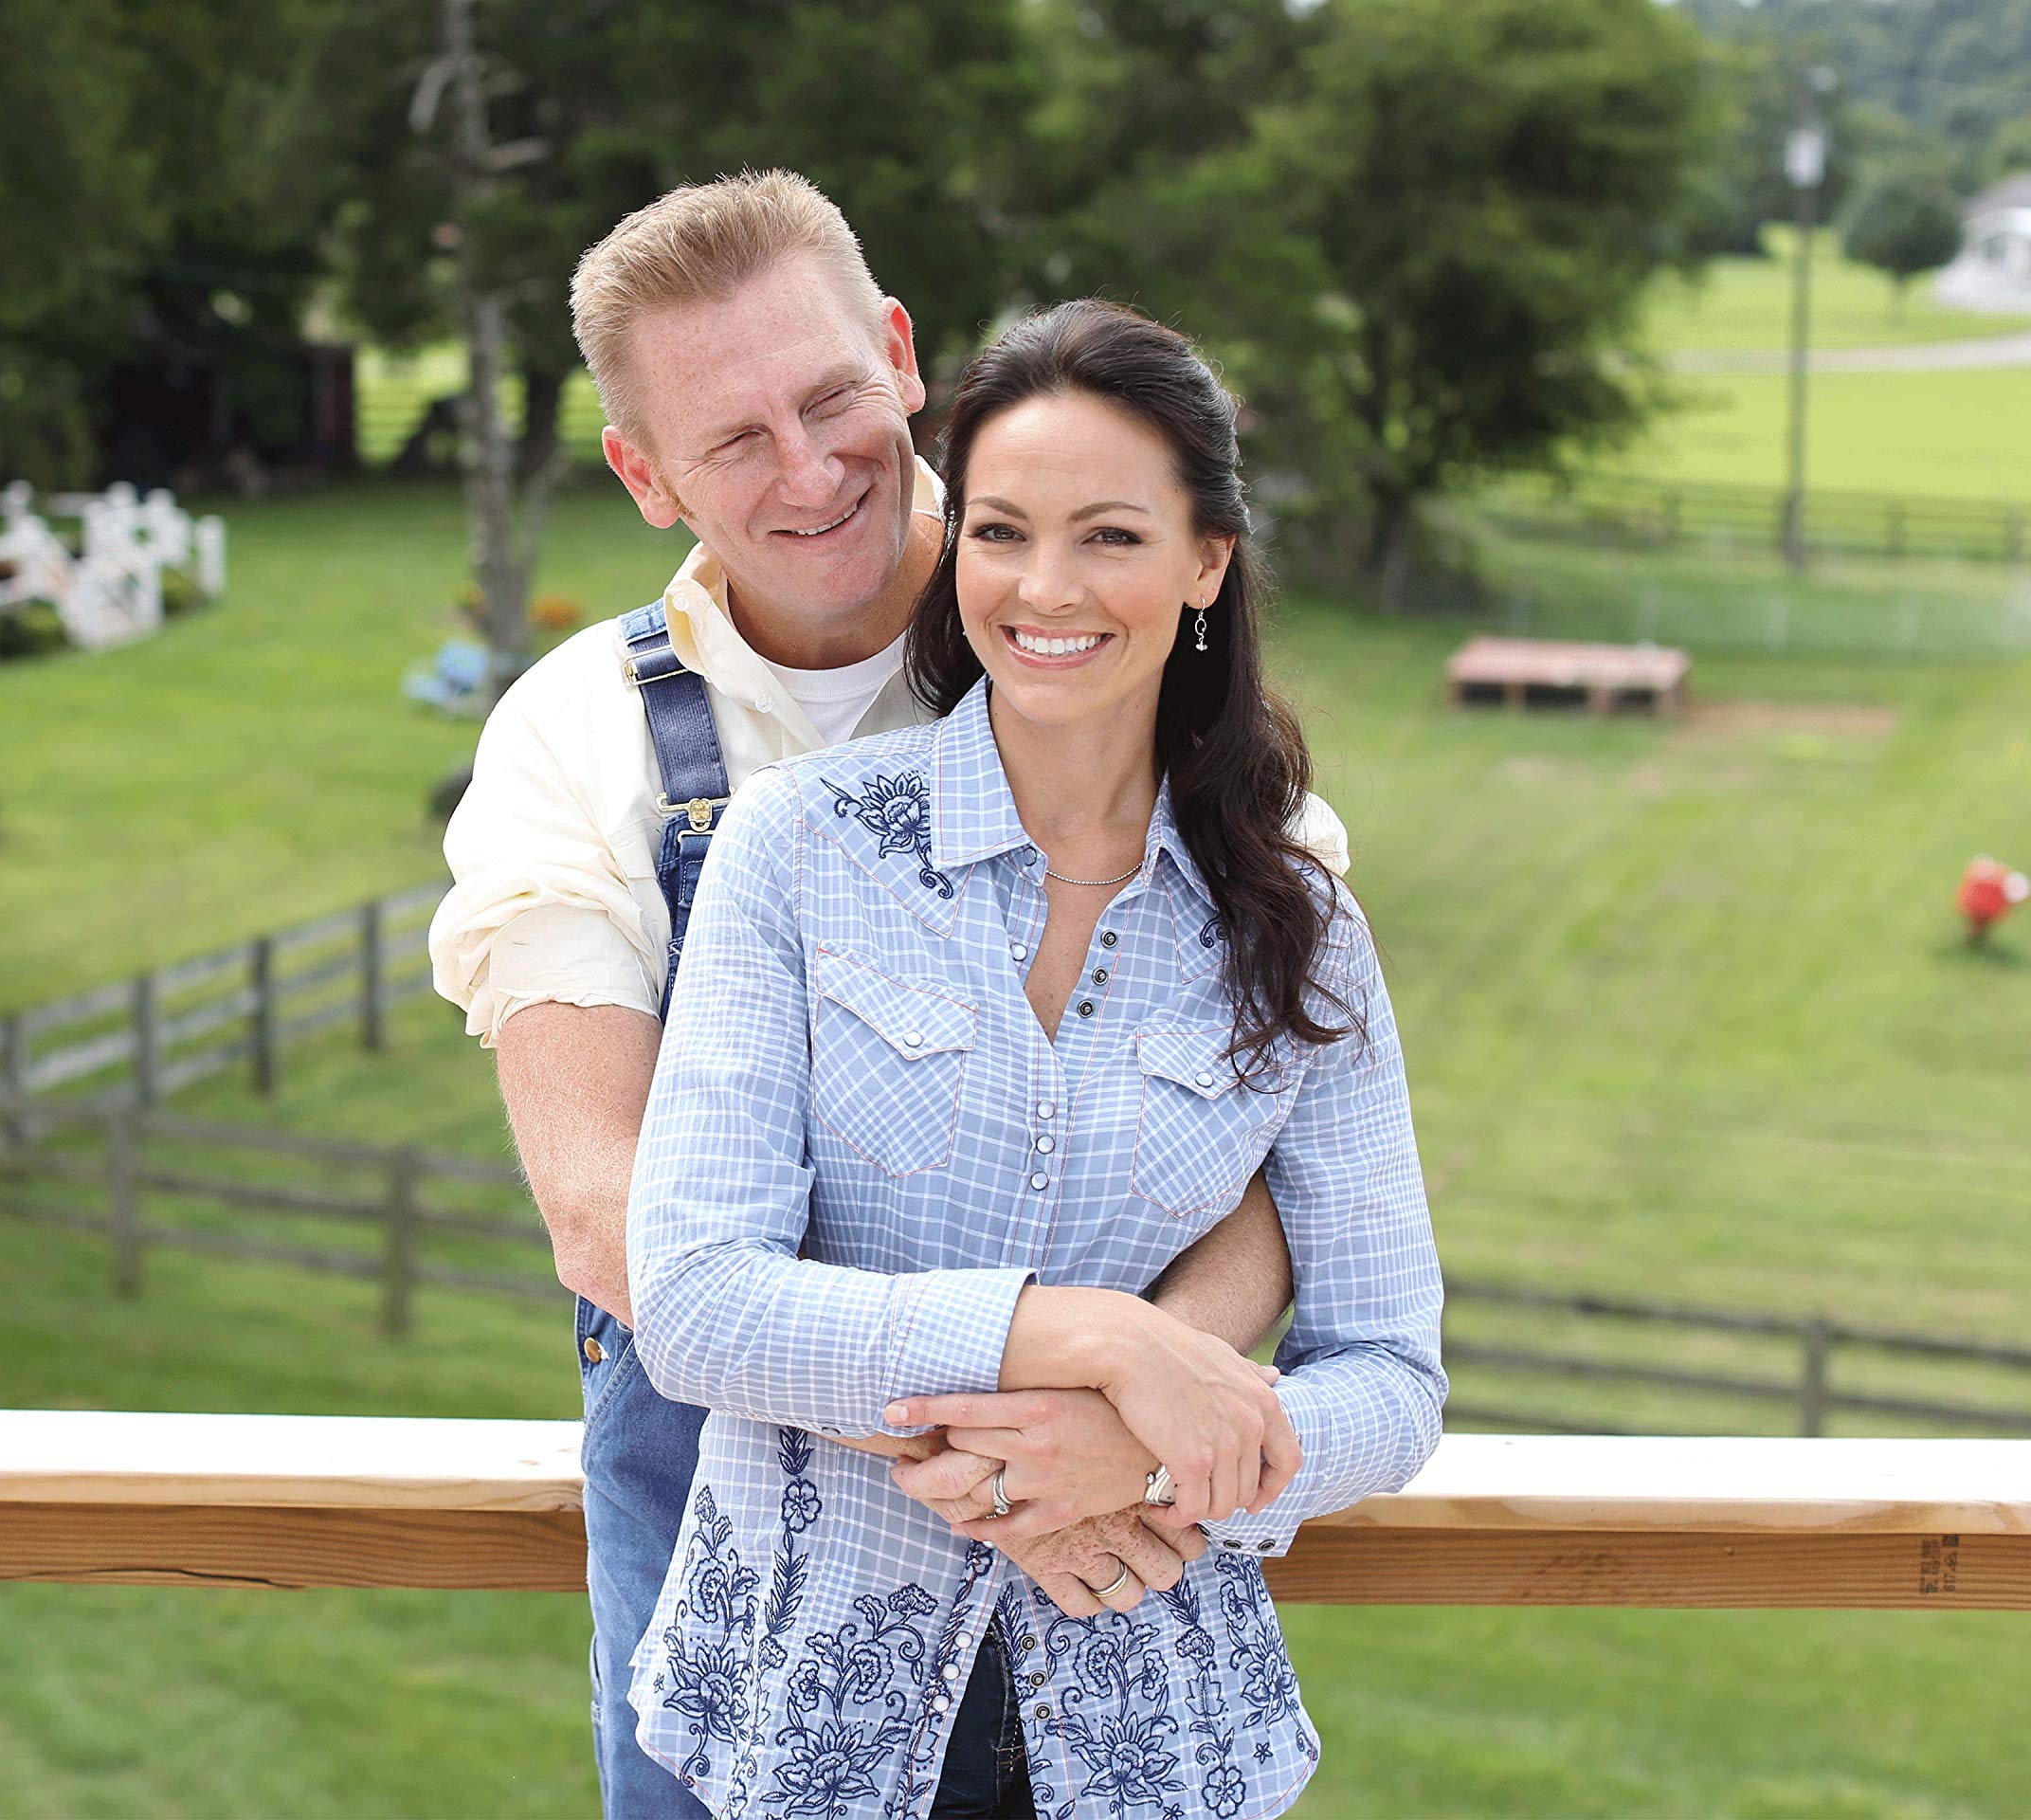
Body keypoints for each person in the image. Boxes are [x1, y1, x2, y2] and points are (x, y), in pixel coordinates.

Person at [426, 173, 1350, 1819]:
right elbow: (607, 1218)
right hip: (746, 1563)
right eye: (730, 439)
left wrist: (1140, 1422)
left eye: (833, 394)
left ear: (904, 353)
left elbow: (1295, 1152)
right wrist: (1019, 1435)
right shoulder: (584, 739)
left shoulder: (1130, 660)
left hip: (1119, 1560)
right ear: (642, 476)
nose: (811, 469)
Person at [623, 299, 1446, 1818]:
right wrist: (1097, 1344)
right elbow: (695, 1303)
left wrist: (1141, 1461)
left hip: (1159, 1741)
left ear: (1206, 564)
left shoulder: (1300, 926)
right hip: (804, 1730)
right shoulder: (795, 852)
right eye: (1000, 531)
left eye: (1111, 537)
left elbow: (1393, 1378)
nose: (1045, 588)